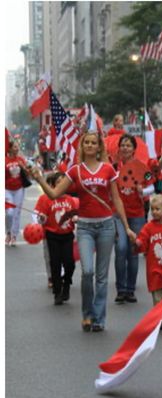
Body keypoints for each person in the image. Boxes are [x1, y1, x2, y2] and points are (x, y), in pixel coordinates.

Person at [30, 131, 137, 332]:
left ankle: (98, 319)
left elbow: (116, 199)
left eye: (93, 143)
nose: (89, 145)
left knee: (102, 276)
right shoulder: (74, 171)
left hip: (106, 225)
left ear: (99, 147)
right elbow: (53, 194)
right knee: (88, 272)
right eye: (86, 142)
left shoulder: (108, 170)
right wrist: (39, 179)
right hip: (85, 227)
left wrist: (126, 227)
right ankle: (87, 314)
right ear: (82, 147)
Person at [113, 134, 152, 304]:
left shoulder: (142, 168)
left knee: (133, 251)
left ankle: (130, 289)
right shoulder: (113, 167)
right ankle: (120, 289)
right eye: (123, 145)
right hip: (118, 214)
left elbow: (153, 186)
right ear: (119, 148)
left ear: (134, 149)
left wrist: (142, 190)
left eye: (129, 145)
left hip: (137, 214)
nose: (125, 148)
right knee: (121, 248)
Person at [34, 172, 79, 305]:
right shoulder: (46, 199)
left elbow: (74, 215)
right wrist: (42, 218)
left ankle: (67, 284)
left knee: (69, 263)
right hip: (52, 235)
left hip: (67, 235)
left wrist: (76, 218)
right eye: (59, 181)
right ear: (53, 184)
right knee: (55, 263)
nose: (62, 184)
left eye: (64, 181)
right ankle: (57, 292)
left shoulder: (70, 200)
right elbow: (40, 218)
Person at [135, 194, 162, 330]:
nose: (154, 212)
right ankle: (161, 319)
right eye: (152, 209)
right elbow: (142, 243)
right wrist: (136, 242)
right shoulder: (148, 227)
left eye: (157, 209)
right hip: (155, 268)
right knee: (158, 298)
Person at [5, 139, 29, 247]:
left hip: (19, 189)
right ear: (9, 148)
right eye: (15, 147)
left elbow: (28, 173)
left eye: (17, 146)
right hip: (7, 190)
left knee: (17, 213)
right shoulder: (4, 160)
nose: (17, 148)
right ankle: (8, 232)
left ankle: (14, 236)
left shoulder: (21, 159)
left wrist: (23, 166)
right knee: (9, 213)